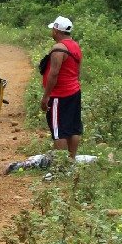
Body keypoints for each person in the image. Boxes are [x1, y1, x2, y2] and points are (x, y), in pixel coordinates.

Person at [40, 16, 83, 158]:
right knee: (73, 128)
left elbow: (53, 75)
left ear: (57, 31)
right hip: (74, 92)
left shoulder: (58, 49)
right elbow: (78, 72)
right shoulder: (75, 46)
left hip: (59, 95)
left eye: (53, 29)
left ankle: (62, 164)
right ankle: (71, 160)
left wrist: (46, 97)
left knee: (59, 132)